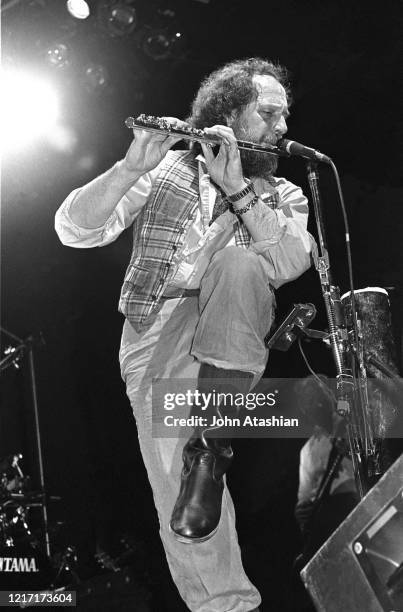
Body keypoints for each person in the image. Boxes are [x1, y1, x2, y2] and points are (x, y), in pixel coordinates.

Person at [55, 57, 314, 612]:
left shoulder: (283, 194)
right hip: (156, 325)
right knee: (180, 484)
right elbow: (74, 230)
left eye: (284, 115)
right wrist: (128, 168)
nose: (283, 126)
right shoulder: (164, 169)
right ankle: (224, 601)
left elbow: (290, 261)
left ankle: (212, 444)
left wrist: (238, 189)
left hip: (233, 323)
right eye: (268, 113)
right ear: (228, 115)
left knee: (241, 267)